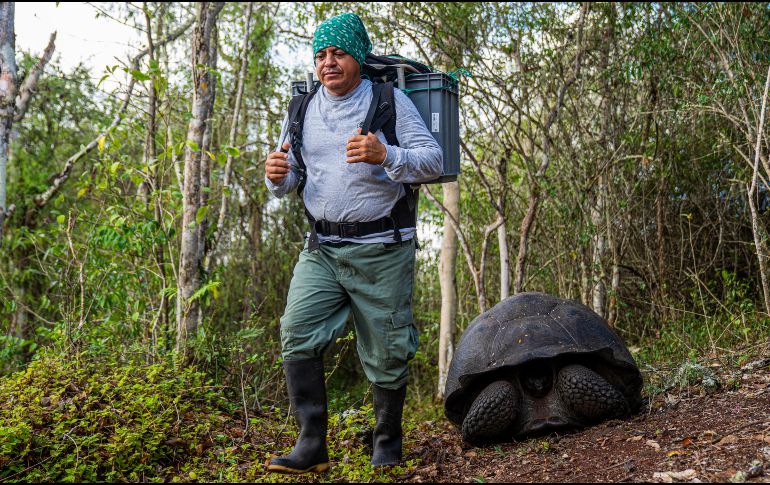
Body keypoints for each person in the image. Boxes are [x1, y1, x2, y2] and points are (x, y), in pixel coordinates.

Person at [263, 12, 443, 474]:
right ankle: (311, 444)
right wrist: (276, 178)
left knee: (386, 352)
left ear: (357, 58)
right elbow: (291, 177)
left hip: (382, 250)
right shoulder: (301, 109)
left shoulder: (389, 102)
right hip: (321, 249)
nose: (328, 62)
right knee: (296, 332)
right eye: (321, 55)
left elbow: (433, 160)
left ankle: (387, 442)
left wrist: (387, 154)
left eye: (338, 53)